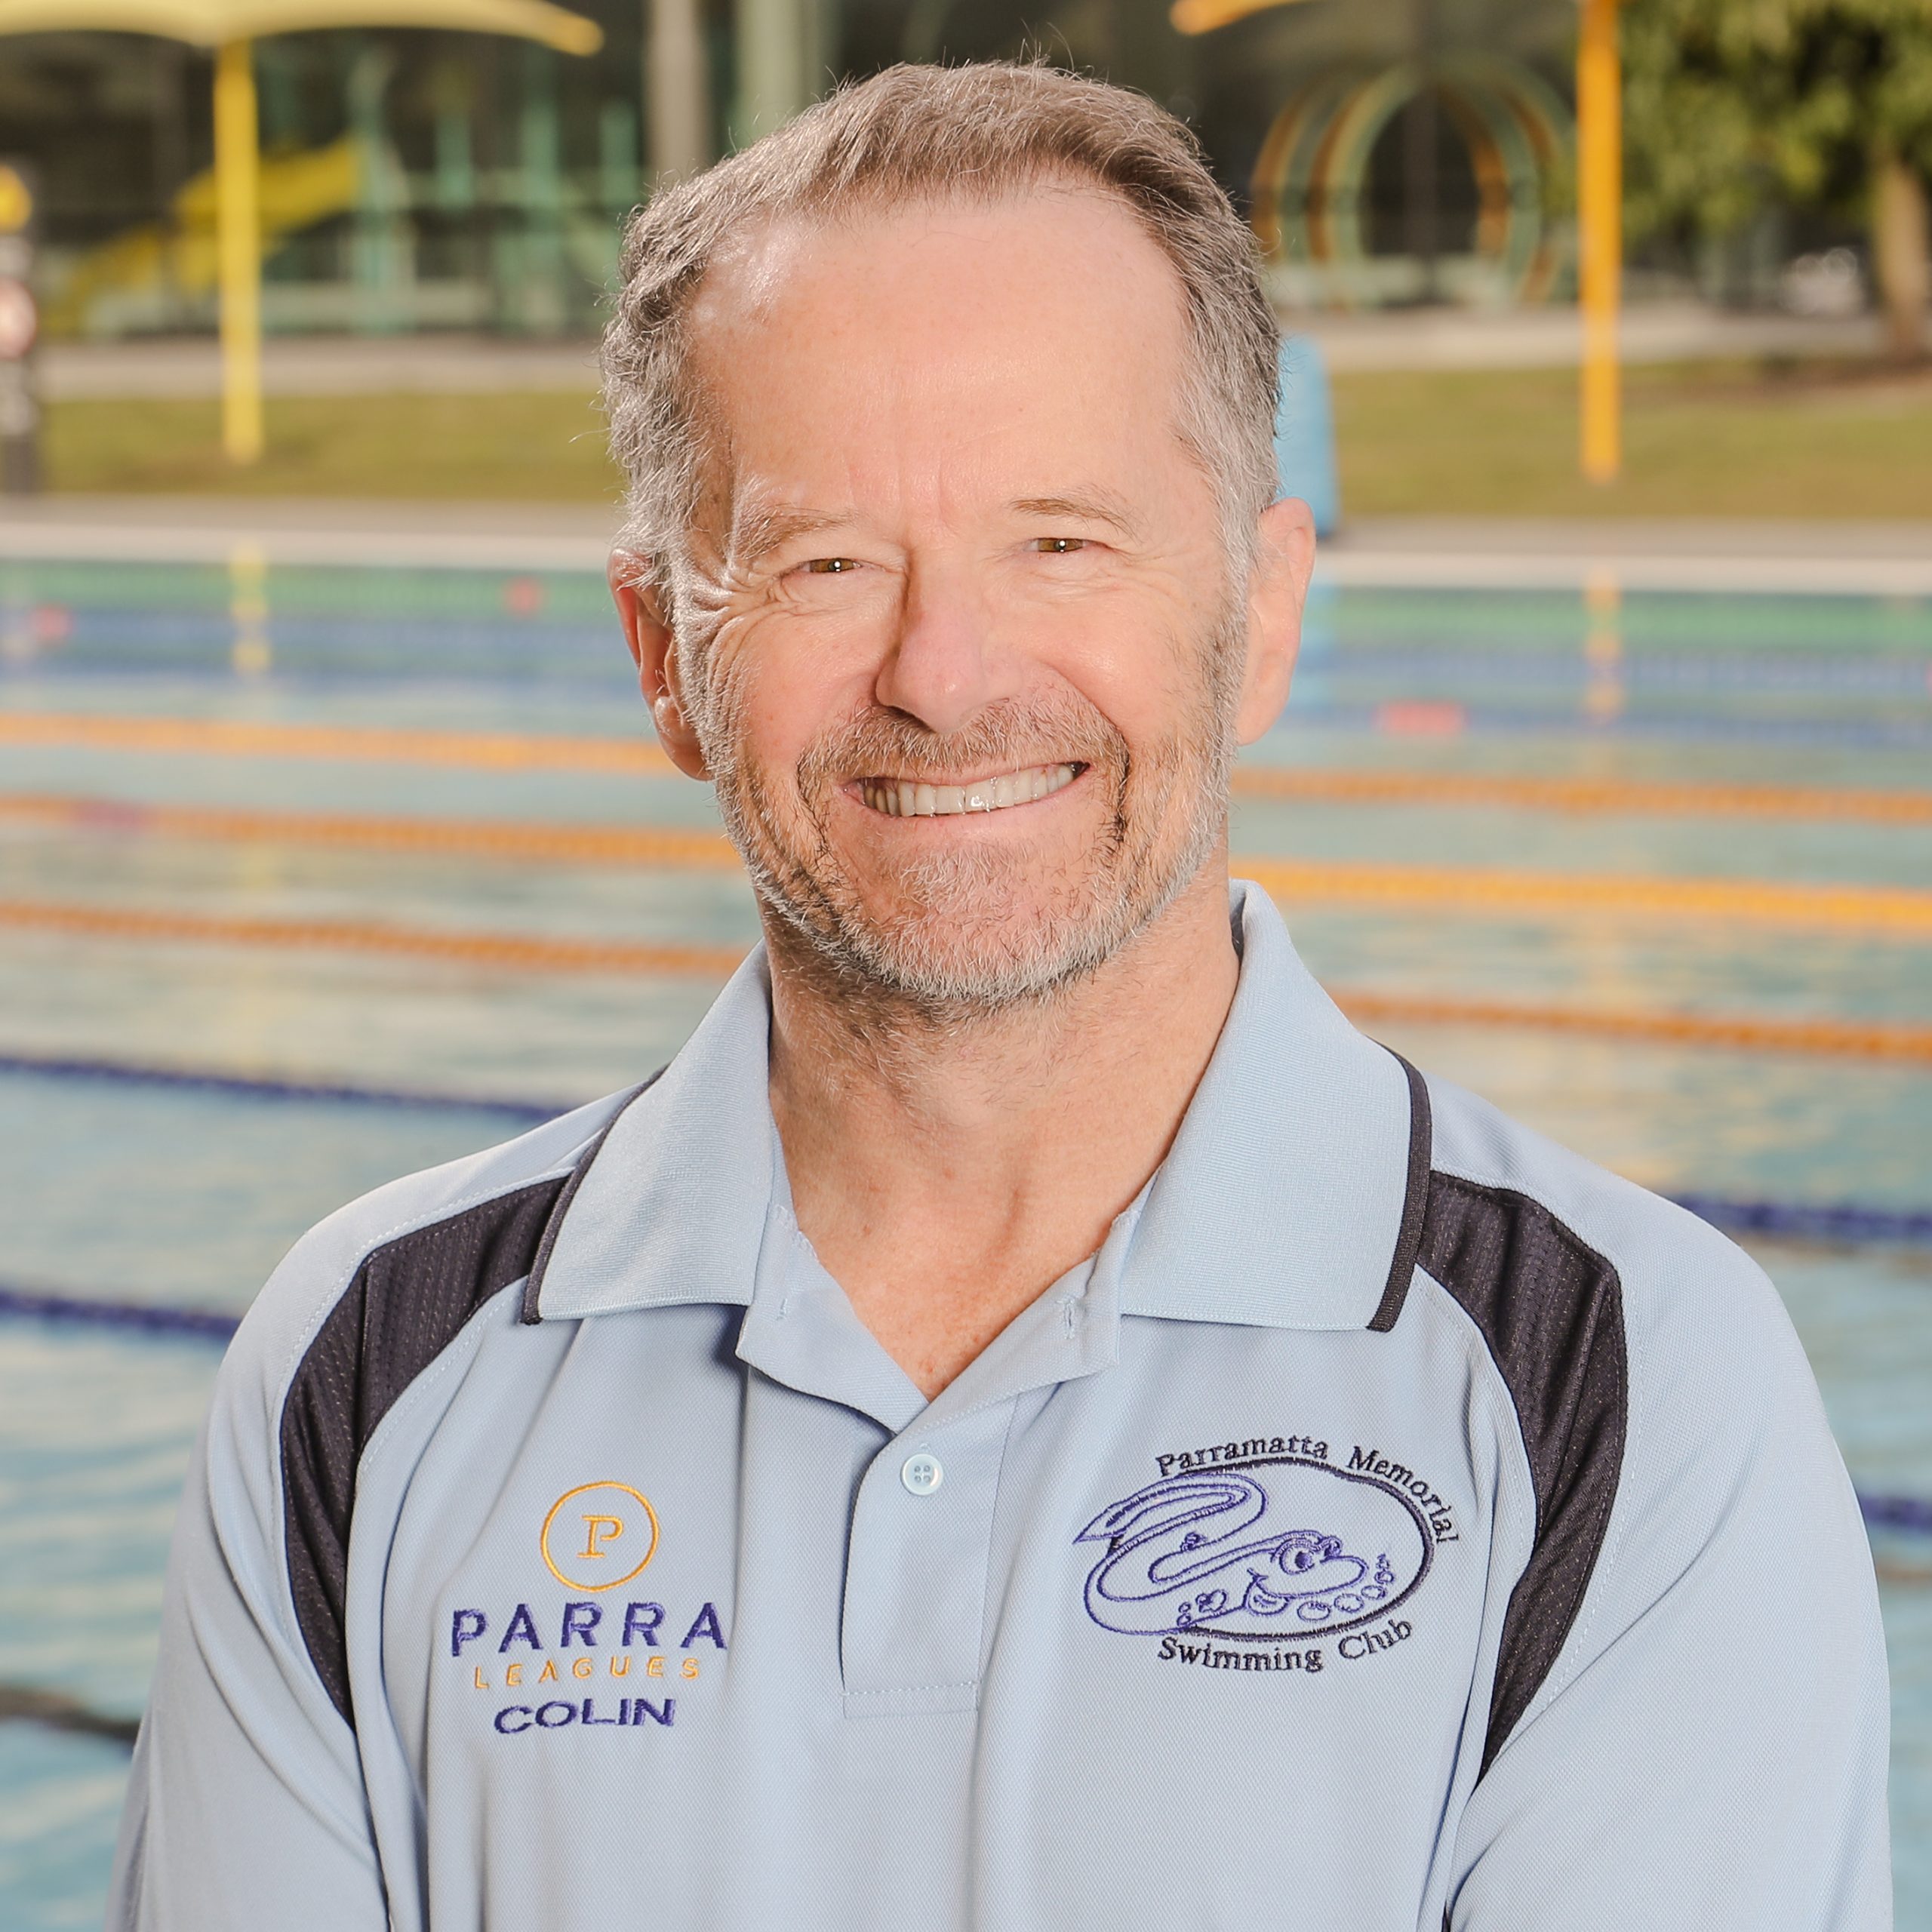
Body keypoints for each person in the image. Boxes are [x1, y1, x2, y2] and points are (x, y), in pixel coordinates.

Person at [110, 61, 1890, 1932]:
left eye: (1059, 537)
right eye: (822, 561)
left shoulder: (1618, 1383)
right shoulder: (365, 1374)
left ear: (1261, 608)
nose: (944, 676)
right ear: (661, 658)